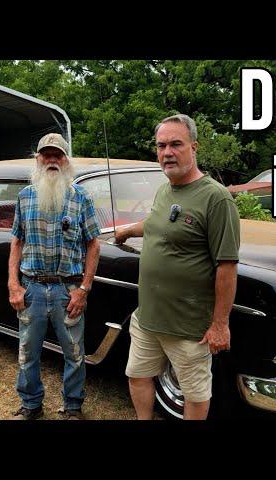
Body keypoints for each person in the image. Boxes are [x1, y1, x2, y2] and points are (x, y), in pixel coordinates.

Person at [114, 114, 240, 420]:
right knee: (138, 376)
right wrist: (128, 231)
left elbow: (227, 265)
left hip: (187, 326)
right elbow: (159, 223)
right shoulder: (164, 190)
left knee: (195, 393)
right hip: (147, 318)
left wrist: (220, 324)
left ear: (193, 147)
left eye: (175, 144)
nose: (167, 152)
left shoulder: (216, 198)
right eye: (161, 146)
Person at [8, 132, 101, 420]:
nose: (51, 159)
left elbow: (93, 244)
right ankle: (31, 404)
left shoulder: (81, 198)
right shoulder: (24, 198)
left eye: (57, 154)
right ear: (38, 159)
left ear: (66, 159)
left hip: (68, 290)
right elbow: (16, 241)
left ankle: (73, 407)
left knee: (74, 353)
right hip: (32, 288)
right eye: (46, 154)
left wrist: (83, 289)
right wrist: (13, 284)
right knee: (27, 351)